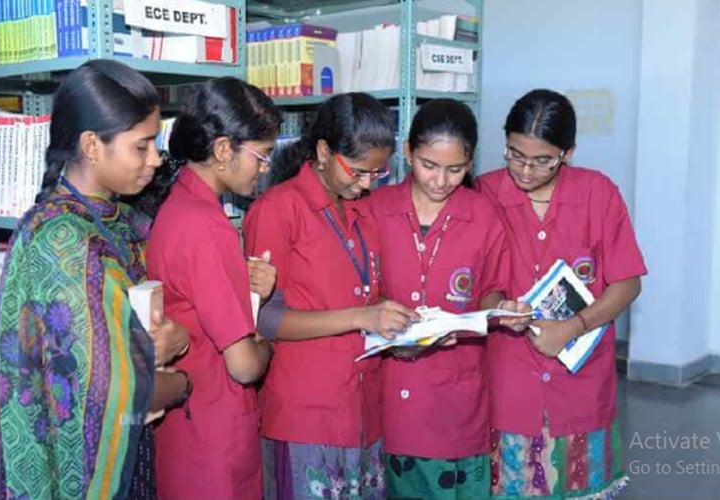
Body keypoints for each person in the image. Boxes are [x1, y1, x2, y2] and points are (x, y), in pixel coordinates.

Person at [0, 59, 191, 499]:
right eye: (142, 146)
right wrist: (181, 380)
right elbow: (102, 396)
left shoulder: (121, 223)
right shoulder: (64, 240)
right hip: (71, 480)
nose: (156, 159)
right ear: (91, 145)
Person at [242, 92, 419, 500]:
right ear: (323, 152)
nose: (366, 183)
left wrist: (400, 332)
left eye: (376, 174)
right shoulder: (278, 210)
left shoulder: (362, 211)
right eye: (357, 171)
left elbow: (370, 296)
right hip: (306, 418)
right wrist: (363, 317)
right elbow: (264, 319)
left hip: (361, 412)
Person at [475, 89, 646, 498]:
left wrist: (574, 326)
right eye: (515, 155)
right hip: (508, 378)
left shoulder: (597, 194)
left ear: (567, 152)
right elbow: (480, 283)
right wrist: (498, 307)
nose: (526, 171)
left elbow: (627, 281)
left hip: (580, 382)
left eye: (542, 160)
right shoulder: (484, 194)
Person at [364, 98, 519, 499]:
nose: (439, 180)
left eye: (456, 169)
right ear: (407, 152)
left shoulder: (484, 214)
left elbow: (492, 288)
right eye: (428, 165)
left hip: (457, 390)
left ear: (471, 162)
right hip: (391, 389)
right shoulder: (373, 210)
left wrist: (498, 310)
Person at [143, 77, 279, 499]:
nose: (266, 167)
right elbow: (242, 364)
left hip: (190, 427)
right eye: (262, 155)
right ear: (223, 150)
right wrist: (266, 343)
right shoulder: (207, 226)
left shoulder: (180, 206)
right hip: (213, 432)